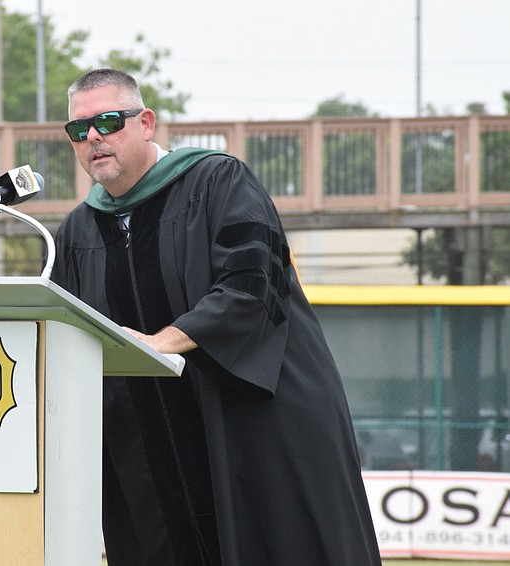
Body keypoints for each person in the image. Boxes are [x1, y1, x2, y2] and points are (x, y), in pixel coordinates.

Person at [50, 68, 382, 566]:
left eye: (109, 121)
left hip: (250, 421)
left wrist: (163, 342)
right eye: (79, 129)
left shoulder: (217, 182)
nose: (94, 137)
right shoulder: (78, 231)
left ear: (145, 123)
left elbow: (252, 285)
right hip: (150, 448)